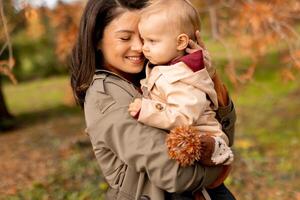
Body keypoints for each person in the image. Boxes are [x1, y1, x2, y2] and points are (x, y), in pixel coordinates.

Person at [70, 0, 236, 199]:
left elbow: (221, 133)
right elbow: (175, 175)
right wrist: (222, 164)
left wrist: (204, 75)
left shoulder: (158, 73)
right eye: (125, 38)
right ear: (96, 39)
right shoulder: (106, 97)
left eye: (146, 37)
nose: (140, 47)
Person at [128, 0, 234, 169]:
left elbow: (184, 117)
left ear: (180, 42)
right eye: (144, 40)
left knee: (200, 145)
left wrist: (147, 110)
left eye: (152, 41)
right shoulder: (166, 67)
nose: (143, 48)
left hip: (203, 136)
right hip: (184, 140)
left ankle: (215, 149)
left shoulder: (182, 77)